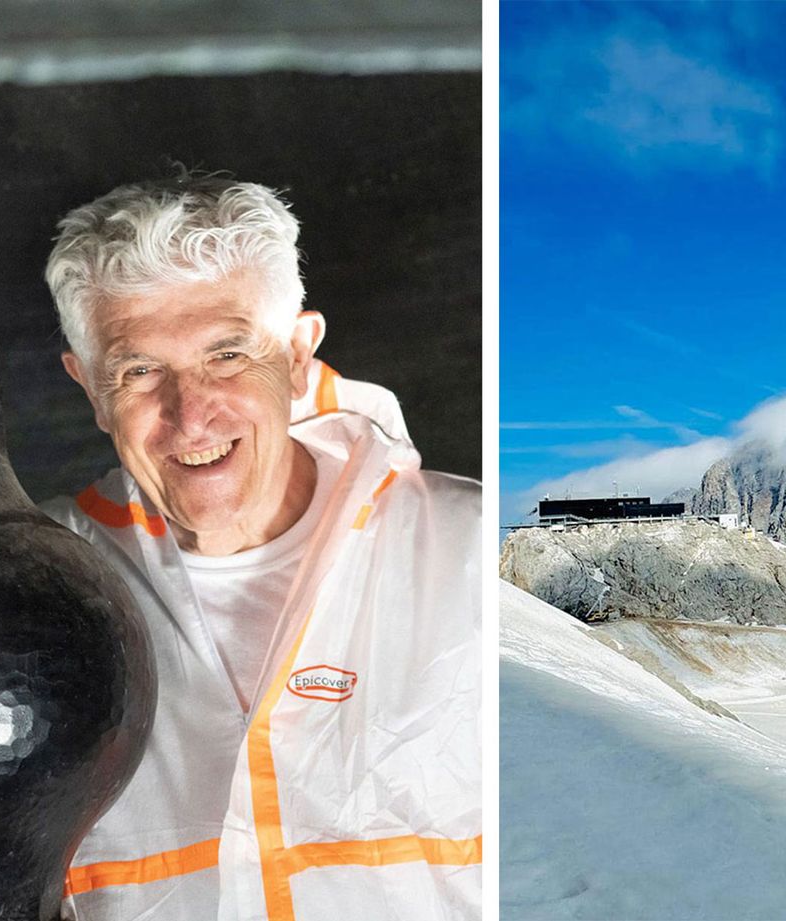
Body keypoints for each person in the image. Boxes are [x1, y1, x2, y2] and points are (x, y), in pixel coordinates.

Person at [41, 176, 481, 920]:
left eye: (227, 354)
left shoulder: (465, 555)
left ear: (299, 355)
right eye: (140, 370)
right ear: (88, 386)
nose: (191, 415)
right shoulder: (39, 589)